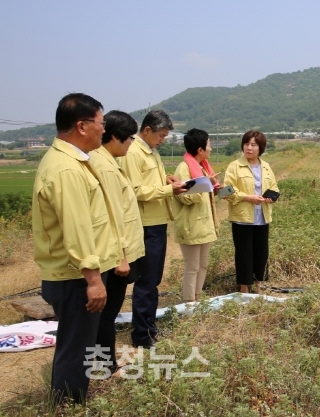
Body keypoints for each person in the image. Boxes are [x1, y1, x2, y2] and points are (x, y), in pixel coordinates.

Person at [33, 93, 123, 404]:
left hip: (78, 274)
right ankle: (68, 405)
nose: (104, 129)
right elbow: (77, 229)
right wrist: (94, 280)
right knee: (76, 348)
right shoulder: (67, 169)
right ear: (82, 126)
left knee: (78, 344)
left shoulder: (73, 161)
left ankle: (72, 399)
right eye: (101, 123)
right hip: (75, 277)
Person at [118, 110, 186, 348]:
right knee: (146, 281)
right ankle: (142, 335)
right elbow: (135, 191)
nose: (162, 140)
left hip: (157, 221)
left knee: (153, 279)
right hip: (145, 224)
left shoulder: (151, 151)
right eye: (161, 135)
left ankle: (149, 327)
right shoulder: (133, 153)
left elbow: (149, 183)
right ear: (147, 130)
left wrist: (166, 180)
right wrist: (169, 190)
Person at [89, 110, 146, 375]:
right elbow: (114, 215)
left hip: (115, 251)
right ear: (115, 137)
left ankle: (105, 363)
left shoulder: (107, 161)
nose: (131, 144)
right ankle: (106, 366)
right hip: (114, 255)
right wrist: (122, 257)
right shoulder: (104, 167)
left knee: (106, 314)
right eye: (130, 138)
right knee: (107, 314)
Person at [223, 130, 279, 294]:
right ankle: (244, 288)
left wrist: (272, 197)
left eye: (253, 145)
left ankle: (258, 285)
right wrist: (248, 197)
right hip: (242, 218)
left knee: (261, 252)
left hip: (262, 217)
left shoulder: (266, 166)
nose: (249, 148)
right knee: (244, 253)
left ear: (260, 147)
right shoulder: (234, 166)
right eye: (246, 144)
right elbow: (226, 191)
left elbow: (274, 186)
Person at [172, 128, 220, 302]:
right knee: (192, 266)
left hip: (204, 225)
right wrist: (205, 184)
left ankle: (197, 297)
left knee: (203, 264)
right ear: (200, 149)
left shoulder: (202, 167)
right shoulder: (183, 169)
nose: (211, 148)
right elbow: (185, 197)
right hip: (191, 225)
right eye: (209, 145)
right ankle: (189, 302)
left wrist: (212, 186)